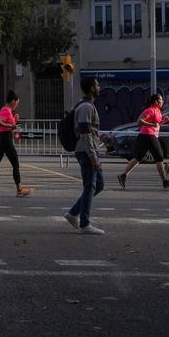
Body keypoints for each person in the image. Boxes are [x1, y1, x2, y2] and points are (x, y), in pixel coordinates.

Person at [65, 77, 105, 235]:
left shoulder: (88, 106)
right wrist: (93, 156)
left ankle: (73, 213)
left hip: (89, 150)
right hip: (86, 152)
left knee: (98, 184)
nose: (99, 87)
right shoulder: (86, 107)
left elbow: (91, 132)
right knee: (90, 186)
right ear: (91, 88)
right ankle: (84, 223)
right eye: (97, 85)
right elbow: (85, 132)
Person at [117, 93, 169, 190]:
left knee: (138, 158)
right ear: (155, 102)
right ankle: (165, 181)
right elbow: (139, 121)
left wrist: (163, 121)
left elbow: (156, 124)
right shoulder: (150, 110)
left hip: (148, 135)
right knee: (159, 158)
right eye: (160, 100)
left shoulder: (158, 111)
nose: (162, 102)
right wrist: (151, 124)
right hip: (148, 135)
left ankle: (123, 175)